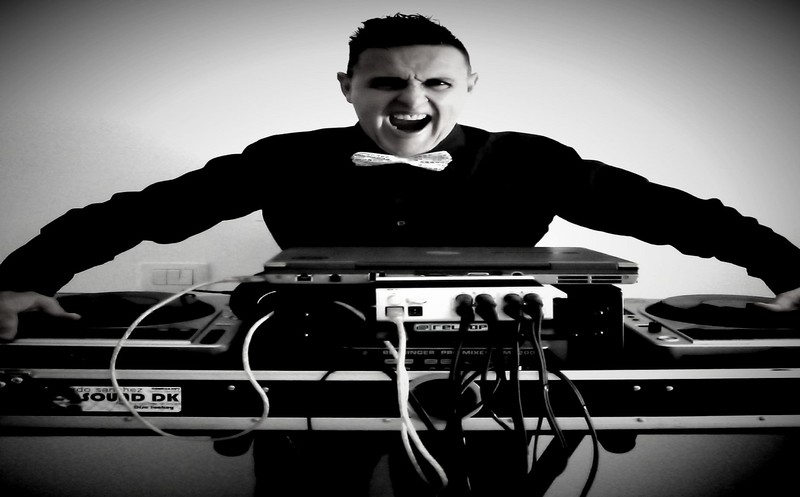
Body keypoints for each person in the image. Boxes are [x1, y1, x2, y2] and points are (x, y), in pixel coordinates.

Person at [1, 12, 799, 496]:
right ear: (346, 86)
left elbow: (671, 212)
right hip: (305, 373)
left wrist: (792, 273)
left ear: (470, 85)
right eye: (386, 83)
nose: (412, 101)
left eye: (437, 85)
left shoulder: (532, 160)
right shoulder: (282, 157)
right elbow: (141, 212)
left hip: (490, 380)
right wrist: (18, 281)